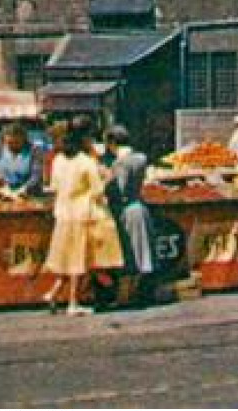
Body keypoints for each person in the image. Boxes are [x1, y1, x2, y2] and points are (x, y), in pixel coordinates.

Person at [43, 117, 123, 316]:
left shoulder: (58, 161)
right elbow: (97, 191)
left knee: (67, 258)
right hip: (82, 215)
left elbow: (53, 186)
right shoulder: (87, 163)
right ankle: (72, 303)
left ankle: (53, 293)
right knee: (78, 260)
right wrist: (107, 178)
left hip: (62, 214)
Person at [103, 125, 154, 305]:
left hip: (126, 211)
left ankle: (129, 295)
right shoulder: (141, 158)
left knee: (130, 253)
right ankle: (138, 292)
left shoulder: (119, 163)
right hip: (139, 207)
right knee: (143, 251)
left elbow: (120, 189)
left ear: (112, 142)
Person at [0, 122, 45, 196]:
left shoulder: (34, 151)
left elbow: (36, 176)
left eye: (17, 142)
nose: (13, 145)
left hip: (27, 194)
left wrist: (23, 189)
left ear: (24, 139)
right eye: (9, 143)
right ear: (3, 140)